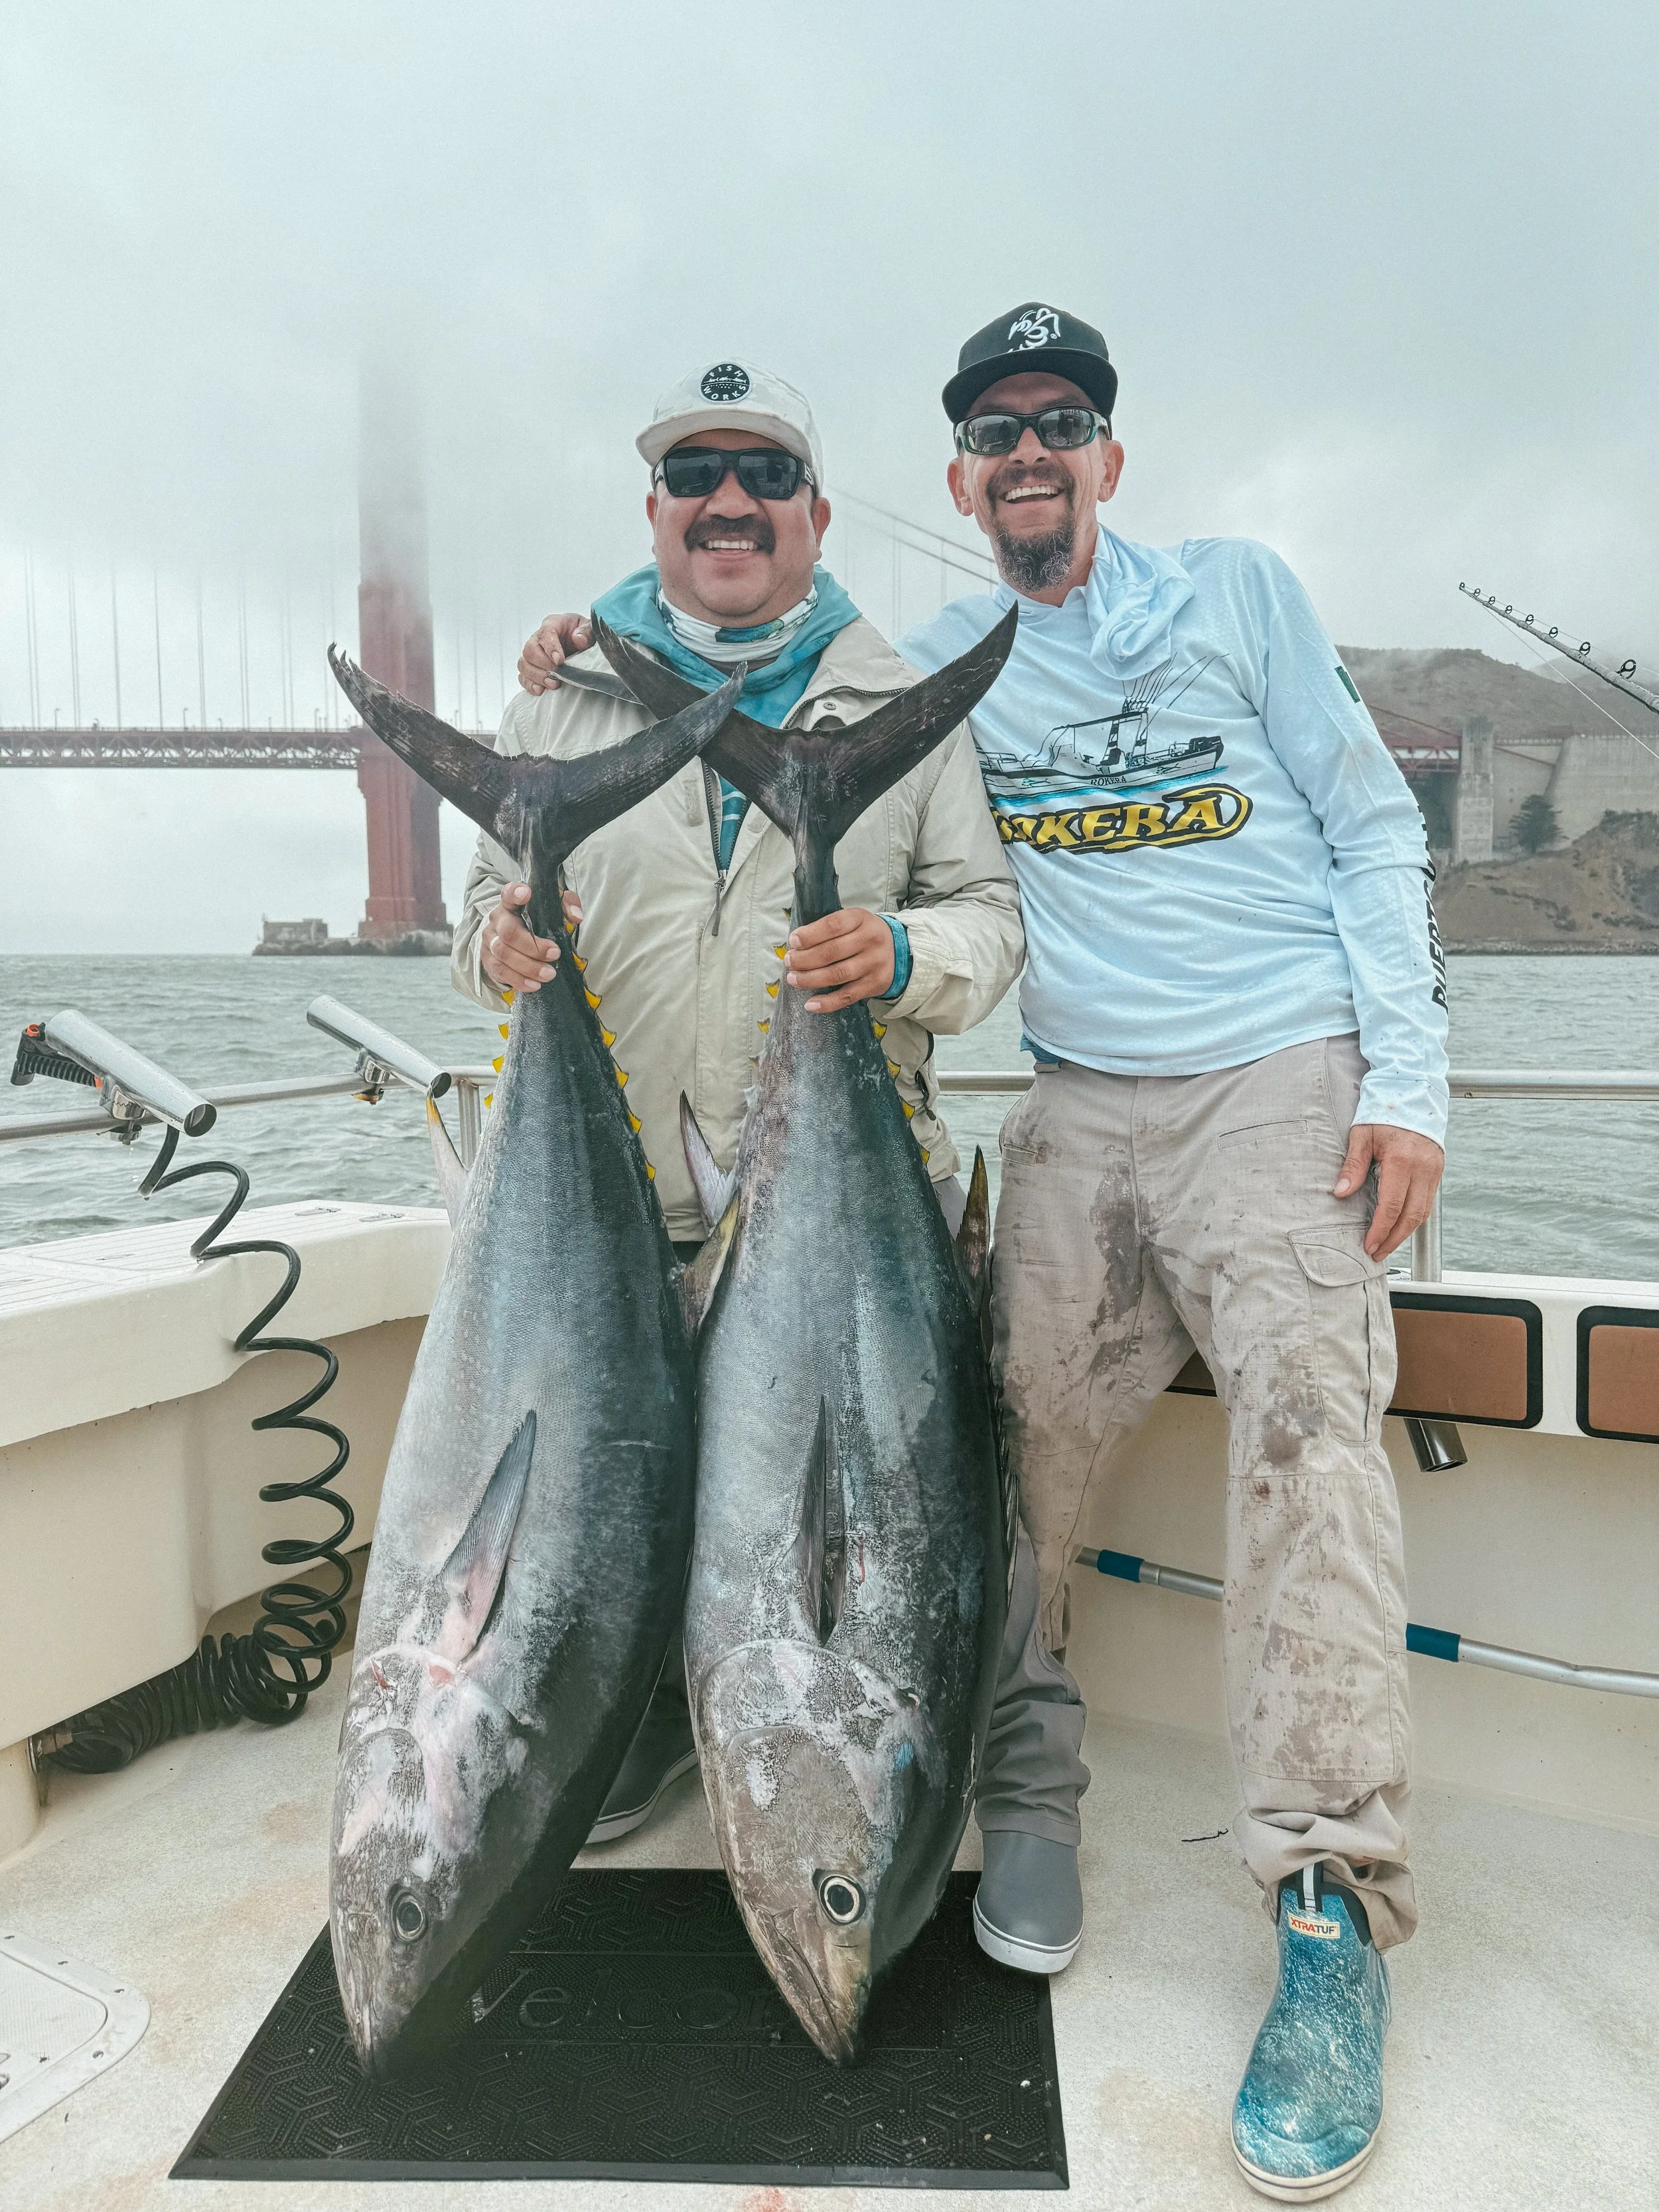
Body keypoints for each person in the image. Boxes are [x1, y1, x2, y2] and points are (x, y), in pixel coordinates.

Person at [520, 307, 1449, 2201]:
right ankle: (1003, 1780)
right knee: (984, 1447)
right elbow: (733, 697)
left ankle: (1326, 1898)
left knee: (1301, 1431)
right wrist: (580, 645)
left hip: (1277, 1074)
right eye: (996, 432)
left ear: (1107, 452)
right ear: (955, 480)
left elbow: (1361, 825)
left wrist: (1406, 1080)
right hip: (1075, 1106)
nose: (1028, 455)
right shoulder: (933, 659)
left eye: (1062, 423)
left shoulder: (1241, 596)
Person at [455, 358, 1088, 1941]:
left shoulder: (895, 704)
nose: (726, 502)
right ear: (654, 512)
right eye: (695, 476)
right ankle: (647, 1721)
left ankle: (1021, 1788)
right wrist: (495, 952)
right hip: (631, 1205)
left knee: (928, 1513)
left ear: (812, 513)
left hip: (843, 1202)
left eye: (761, 476)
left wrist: (903, 955)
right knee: (634, 1496)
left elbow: (991, 920)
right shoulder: (555, 704)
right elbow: (474, 910)